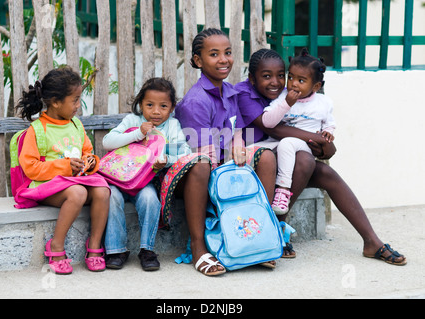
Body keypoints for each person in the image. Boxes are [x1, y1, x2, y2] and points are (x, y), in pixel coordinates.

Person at [235, 48, 407, 265]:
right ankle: (276, 228)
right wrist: (319, 141)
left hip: (286, 157)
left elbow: (318, 124)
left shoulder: (293, 95)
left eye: (281, 75)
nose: (277, 82)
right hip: (258, 160)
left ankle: (372, 242)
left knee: (325, 172)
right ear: (252, 78)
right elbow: (274, 129)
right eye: (267, 76)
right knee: (306, 160)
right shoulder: (244, 93)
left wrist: (326, 144)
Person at [174, 28, 278, 275]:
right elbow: (201, 151)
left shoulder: (230, 93)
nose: (224, 59)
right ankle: (200, 248)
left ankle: (258, 236)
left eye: (228, 52)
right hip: (194, 174)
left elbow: (238, 129)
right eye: (214, 54)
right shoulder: (196, 101)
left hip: (223, 162)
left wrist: (239, 146)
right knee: (201, 165)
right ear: (198, 61)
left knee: (265, 156)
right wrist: (232, 165)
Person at [15, 66, 110, 274]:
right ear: (56, 102)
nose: (78, 105)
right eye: (74, 100)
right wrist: (65, 167)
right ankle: (56, 246)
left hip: (75, 182)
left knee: (103, 191)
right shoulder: (38, 130)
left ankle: (94, 247)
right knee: (78, 193)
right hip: (46, 186)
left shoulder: (76, 125)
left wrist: (91, 162)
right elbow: (31, 168)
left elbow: (87, 151)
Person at [102, 77, 191, 271]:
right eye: (149, 105)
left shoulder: (172, 126)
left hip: (145, 182)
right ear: (141, 104)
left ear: (172, 107)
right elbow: (108, 142)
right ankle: (116, 250)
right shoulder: (133, 121)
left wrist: (166, 160)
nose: (156, 111)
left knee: (151, 199)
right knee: (112, 197)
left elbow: (184, 152)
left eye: (163, 106)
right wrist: (137, 134)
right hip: (119, 179)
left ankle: (147, 250)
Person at [261, 48, 336, 215]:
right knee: (264, 147)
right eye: (291, 77)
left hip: (307, 146)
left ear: (316, 86)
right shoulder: (283, 97)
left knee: (287, 142)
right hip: (282, 145)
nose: (293, 83)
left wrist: (328, 132)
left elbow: (329, 123)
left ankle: (283, 189)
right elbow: (267, 121)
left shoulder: (323, 103)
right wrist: (287, 103)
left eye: (301, 80)